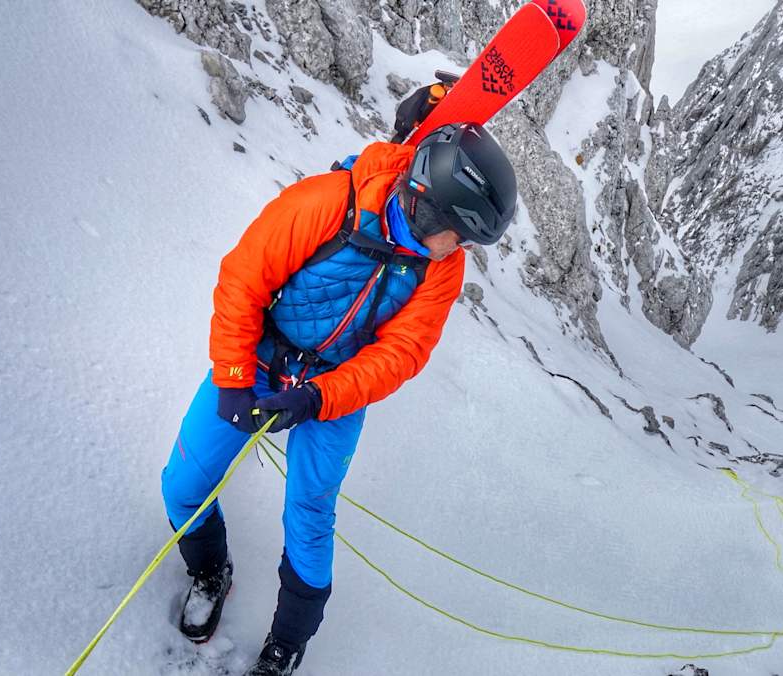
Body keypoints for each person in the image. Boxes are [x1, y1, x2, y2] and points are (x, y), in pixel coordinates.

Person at [159, 120, 517, 676]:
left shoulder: (441, 270)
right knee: (182, 486)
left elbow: (400, 355)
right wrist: (233, 378)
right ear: (430, 209)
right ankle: (210, 572)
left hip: (336, 387)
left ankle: (286, 643)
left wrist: (317, 399)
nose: (462, 250)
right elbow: (243, 280)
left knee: (309, 514)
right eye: (462, 234)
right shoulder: (329, 203)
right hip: (258, 360)